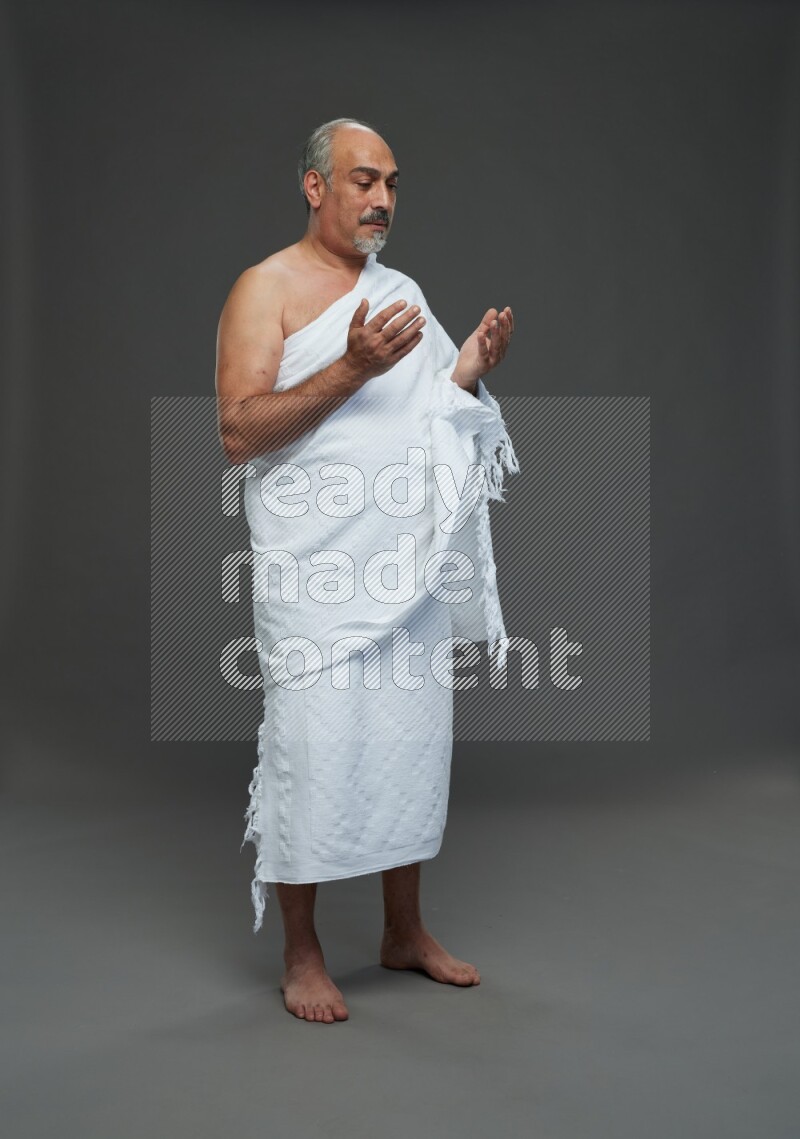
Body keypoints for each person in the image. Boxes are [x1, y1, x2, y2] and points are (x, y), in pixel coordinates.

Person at [215, 117, 517, 1024]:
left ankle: (403, 930)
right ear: (315, 186)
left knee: (409, 743)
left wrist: (465, 373)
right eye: (362, 180)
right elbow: (240, 431)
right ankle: (301, 951)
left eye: (390, 183)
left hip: (404, 567)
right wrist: (349, 366)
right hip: (316, 573)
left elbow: (426, 417)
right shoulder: (264, 288)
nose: (381, 199)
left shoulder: (401, 293)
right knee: (311, 749)